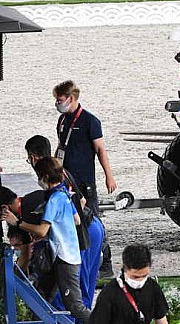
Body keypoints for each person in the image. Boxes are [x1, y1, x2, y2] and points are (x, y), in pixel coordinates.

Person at [1, 157, 91, 322]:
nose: (38, 180)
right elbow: (77, 219)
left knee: (75, 307)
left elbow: (42, 231)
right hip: (59, 256)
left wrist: (18, 222)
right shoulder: (64, 194)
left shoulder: (54, 200)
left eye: (39, 176)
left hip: (66, 259)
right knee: (41, 298)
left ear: (45, 177)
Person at [26, 135, 105, 309]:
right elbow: (82, 201)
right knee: (84, 292)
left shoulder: (51, 178)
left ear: (33, 157)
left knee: (71, 297)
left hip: (83, 233)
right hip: (93, 225)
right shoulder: (60, 170)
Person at [52, 80, 114, 277]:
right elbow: (61, 147)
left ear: (71, 98)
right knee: (72, 220)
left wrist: (109, 176)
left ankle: (106, 261)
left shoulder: (90, 121)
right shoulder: (62, 121)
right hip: (66, 179)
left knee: (92, 219)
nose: (57, 104)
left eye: (60, 100)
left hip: (85, 182)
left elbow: (101, 150)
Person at [89, 244, 169, 324]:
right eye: (135, 277)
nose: (140, 280)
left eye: (144, 275)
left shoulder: (152, 286)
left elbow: (161, 318)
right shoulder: (110, 292)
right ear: (124, 268)